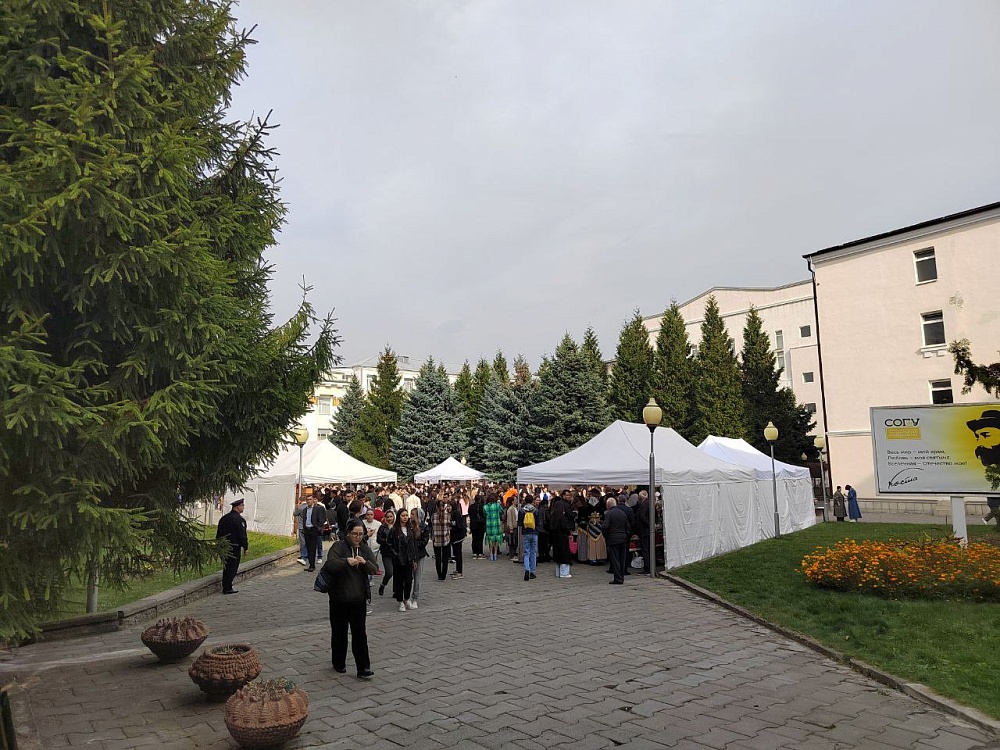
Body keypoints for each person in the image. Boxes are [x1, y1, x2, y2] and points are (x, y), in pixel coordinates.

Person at [321, 519, 377, 679]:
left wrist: (364, 563)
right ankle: (339, 662)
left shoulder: (364, 548)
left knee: (360, 634)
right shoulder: (338, 547)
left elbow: (374, 569)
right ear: (348, 533)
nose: (358, 537)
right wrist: (346, 562)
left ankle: (363, 668)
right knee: (339, 633)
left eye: (361, 534)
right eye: (355, 534)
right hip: (339, 599)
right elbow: (330, 564)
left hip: (358, 599)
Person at [387, 508, 419, 612]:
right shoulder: (394, 530)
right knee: (399, 581)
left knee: (409, 580)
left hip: (409, 559)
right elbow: (389, 544)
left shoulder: (410, 529)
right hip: (398, 560)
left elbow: (413, 545)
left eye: (406, 515)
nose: (405, 517)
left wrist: (414, 559)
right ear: (399, 517)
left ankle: (406, 598)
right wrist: (395, 555)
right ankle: (400, 601)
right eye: (403, 515)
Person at [216, 498, 248, 595]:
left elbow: (219, 533)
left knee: (227, 566)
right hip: (234, 546)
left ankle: (226, 585)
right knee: (232, 567)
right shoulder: (239, 520)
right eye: (242, 505)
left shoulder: (224, 518)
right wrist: (245, 547)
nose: (243, 507)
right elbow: (242, 535)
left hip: (224, 545)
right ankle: (227, 587)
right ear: (237, 507)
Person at [601, 497, 631, 584]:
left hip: (613, 539)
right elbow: (628, 526)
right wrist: (626, 535)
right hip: (623, 538)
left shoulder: (609, 514)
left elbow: (605, 527)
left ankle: (618, 578)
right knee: (622, 559)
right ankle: (621, 576)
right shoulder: (622, 513)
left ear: (607, 506)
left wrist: (606, 536)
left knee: (615, 559)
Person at [550, 490, 576, 579]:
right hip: (563, 534)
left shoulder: (554, 516)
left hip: (556, 534)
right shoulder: (563, 517)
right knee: (564, 552)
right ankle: (564, 573)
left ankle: (558, 572)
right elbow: (568, 519)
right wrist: (568, 531)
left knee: (558, 553)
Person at [430, 496, 454, 582]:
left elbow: (432, 525)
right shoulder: (448, 515)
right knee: (445, 558)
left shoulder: (433, 516)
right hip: (445, 539)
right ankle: (443, 575)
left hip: (436, 539)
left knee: (438, 558)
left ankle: (439, 574)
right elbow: (450, 525)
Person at [301, 495, 327, 572]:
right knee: (308, 548)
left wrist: (319, 527)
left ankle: (312, 566)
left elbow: (322, 518)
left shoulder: (318, 508)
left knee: (312, 548)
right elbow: (304, 519)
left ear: (313, 500)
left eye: (310, 499)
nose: (309, 501)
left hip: (314, 530)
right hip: (307, 530)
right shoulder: (305, 510)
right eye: (307, 499)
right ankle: (311, 564)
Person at [518, 495, 539, 581]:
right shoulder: (536, 510)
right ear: (532, 501)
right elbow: (538, 522)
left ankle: (527, 569)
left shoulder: (521, 510)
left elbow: (519, 523)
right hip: (534, 532)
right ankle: (533, 572)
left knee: (526, 552)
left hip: (525, 533)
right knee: (533, 552)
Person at [376, 509, 396, 596]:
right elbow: (378, 539)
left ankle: (396, 591)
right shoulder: (382, 527)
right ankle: (383, 585)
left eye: (391, 516)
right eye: (387, 517)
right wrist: (387, 541)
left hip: (396, 553)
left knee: (397, 573)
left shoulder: (397, 527)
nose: (389, 518)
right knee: (389, 572)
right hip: (386, 553)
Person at [483, 492, 504, 562]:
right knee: (496, 539)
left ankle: (491, 554)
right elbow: (502, 512)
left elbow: (484, 514)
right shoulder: (498, 505)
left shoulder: (485, 507)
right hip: (497, 524)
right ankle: (495, 554)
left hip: (489, 525)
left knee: (490, 540)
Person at [450, 500, 467, 579]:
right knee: (456, 554)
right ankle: (458, 569)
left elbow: (458, 526)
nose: (448, 508)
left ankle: (460, 572)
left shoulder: (456, 514)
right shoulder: (453, 513)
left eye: (449, 506)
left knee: (458, 554)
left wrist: (451, 528)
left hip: (458, 537)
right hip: (455, 537)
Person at [468, 492, 486, 559]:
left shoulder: (471, 507)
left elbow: (469, 514)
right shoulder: (482, 507)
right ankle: (480, 552)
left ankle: (474, 552)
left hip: (473, 524)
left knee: (474, 538)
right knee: (480, 539)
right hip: (480, 524)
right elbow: (484, 515)